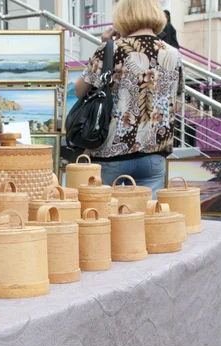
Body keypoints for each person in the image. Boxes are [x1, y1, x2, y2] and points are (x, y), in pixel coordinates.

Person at [74, 0, 184, 198]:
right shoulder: (173, 54)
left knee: (105, 216)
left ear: (123, 16)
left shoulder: (111, 49)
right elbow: (175, 101)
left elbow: (79, 90)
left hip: (111, 151)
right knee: (146, 219)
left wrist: (103, 47)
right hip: (154, 153)